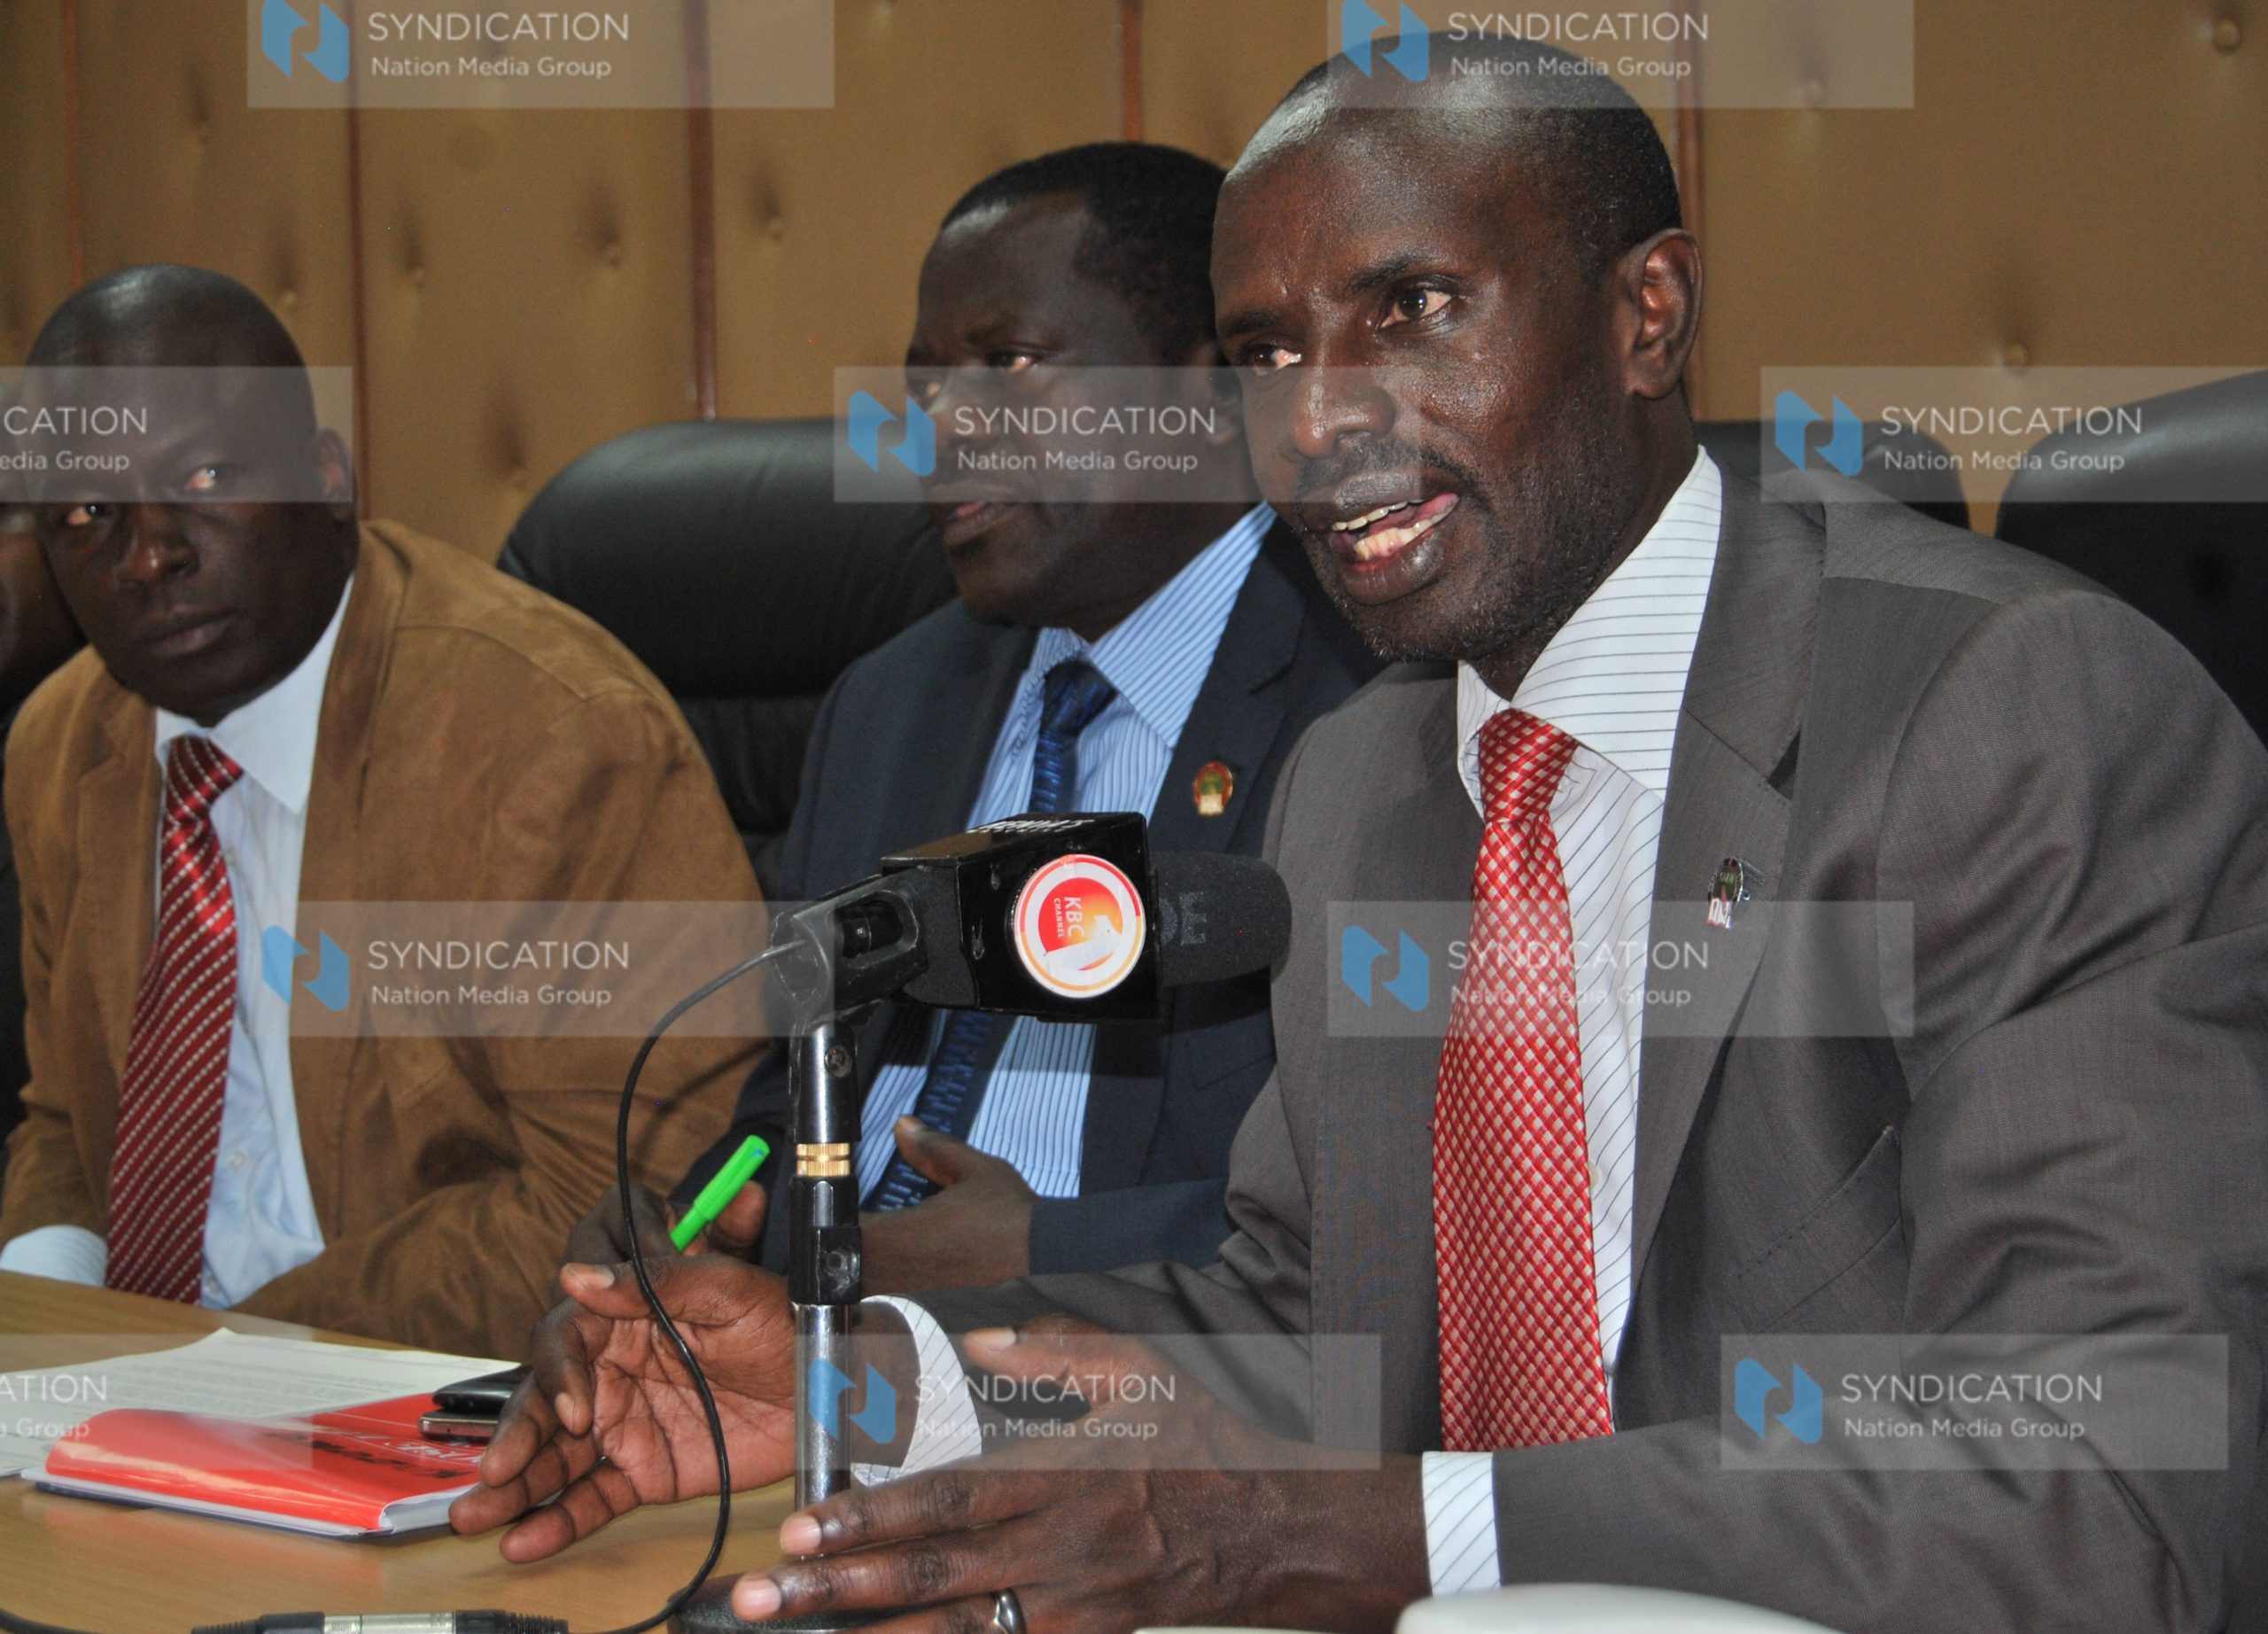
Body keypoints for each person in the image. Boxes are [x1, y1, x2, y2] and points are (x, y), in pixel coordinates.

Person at [453, 43, 2268, 1633]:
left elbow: (2115, 1493)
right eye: (1264, 352)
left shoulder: (2013, 716)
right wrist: (867, 1391)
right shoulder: (1370, 777)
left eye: (1411, 310)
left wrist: (1340, 1537)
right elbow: (1308, 1323)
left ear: (1648, 314)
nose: (1318, 422)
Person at [592, 143, 1378, 1292]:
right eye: (923, 387)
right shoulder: (888, 705)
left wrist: (1039, 1255)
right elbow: (791, 1091)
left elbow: (1401, 1201)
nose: (941, 430)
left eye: (1009, 364)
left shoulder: (1371, 705)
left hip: (1130, 1398)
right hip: (813, 1356)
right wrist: (698, 1217)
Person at [0, 266, 759, 1359]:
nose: (149, 556)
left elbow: (619, 1208)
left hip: (458, 1410)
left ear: (328, 480)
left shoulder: (551, 736)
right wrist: (45, 1329)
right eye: (90, 514)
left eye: (208, 476)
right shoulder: (60, 744)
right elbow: (68, 1124)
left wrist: (203, 1364)